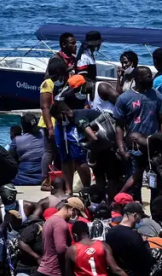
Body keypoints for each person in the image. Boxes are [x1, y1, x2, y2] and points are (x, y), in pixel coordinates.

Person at [116, 67, 162, 202]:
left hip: (154, 148)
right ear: (138, 79)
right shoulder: (124, 98)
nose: (151, 79)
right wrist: (121, 148)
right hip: (134, 149)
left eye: (151, 76)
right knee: (134, 182)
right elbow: (119, 126)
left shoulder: (157, 96)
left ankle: (156, 212)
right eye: (148, 77)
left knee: (157, 183)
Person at [51, 99, 99, 194]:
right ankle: (69, 190)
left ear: (63, 113)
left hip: (74, 126)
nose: (58, 121)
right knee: (65, 159)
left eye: (58, 118)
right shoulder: (60, 120)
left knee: (79, 158)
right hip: (63, 128)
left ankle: (86, 188)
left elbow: (93, 138)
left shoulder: (79, 117)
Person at [39, 57, 69, 190]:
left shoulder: (64, 81)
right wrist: (50, 127)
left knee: (60, 152)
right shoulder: (48, 83)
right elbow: (45, 107)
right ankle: (45, 179)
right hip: (49, 122)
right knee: (49, 152)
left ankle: (57, 179)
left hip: (62, 121)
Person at [7, 113, 46, 187]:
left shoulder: (17, 140)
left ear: (23, 127)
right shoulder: (44, 133)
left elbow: (9, 160)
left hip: (23, 178)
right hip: (43, 176)